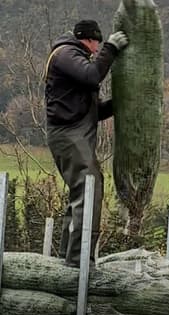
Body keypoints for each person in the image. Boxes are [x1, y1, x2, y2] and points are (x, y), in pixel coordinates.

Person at [45, 20, 128, 267]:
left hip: (72, 133)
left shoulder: (73, 58)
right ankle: (79, 262)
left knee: (81, 192)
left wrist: (120, 103)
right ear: (89, 39)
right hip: (67, 134)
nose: (96, 49)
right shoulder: (66, 53)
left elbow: (90, 111)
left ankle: (69, 258)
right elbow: (92, 77)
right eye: (97, 43)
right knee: (89, 186)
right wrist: (111, 49)